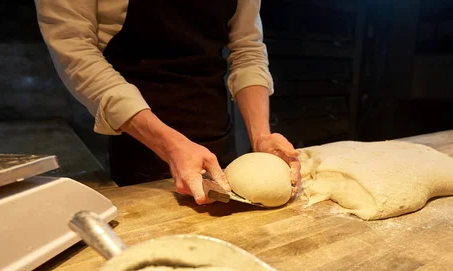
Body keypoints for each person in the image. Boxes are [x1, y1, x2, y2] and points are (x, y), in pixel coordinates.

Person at [35, 0, 301, 204]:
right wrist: (168, 144)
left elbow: (247, 49)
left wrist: (261, 135)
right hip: (141, 139)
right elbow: (74, 50)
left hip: (215, 125)